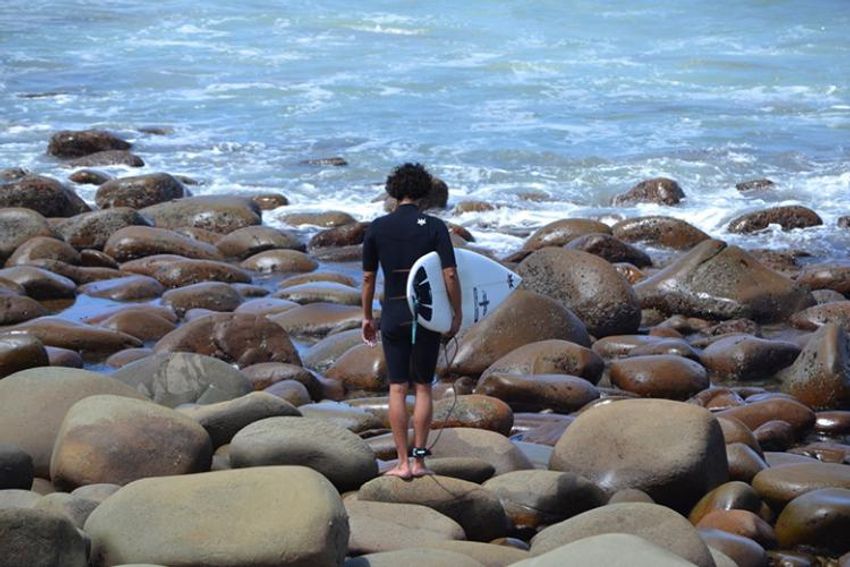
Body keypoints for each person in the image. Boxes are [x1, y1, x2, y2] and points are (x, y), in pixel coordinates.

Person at [361, 163, 462, 479]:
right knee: (422, 388)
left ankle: (401, 463)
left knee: (396, 388)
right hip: (425, 316)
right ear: (423, 192)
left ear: (393, 192)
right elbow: (449, 273)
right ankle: (419, 462)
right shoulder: (434, 226)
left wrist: (366, 317)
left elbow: (367, 277)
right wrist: (455, 313)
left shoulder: (377, 227)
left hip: (392, 314)